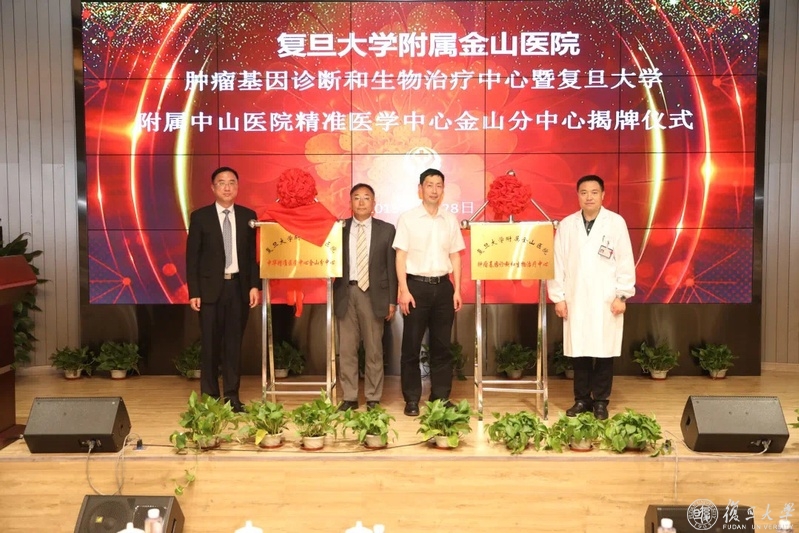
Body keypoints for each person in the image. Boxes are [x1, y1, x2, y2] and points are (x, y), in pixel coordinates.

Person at [547, 175, 636, 420]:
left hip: (606, 299)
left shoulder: (615, 223)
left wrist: (622, 295)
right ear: (577, 195)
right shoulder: (567, 225)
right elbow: (557, 263)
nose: (589, 197)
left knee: (605, 352)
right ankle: (581, 399)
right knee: (580, 352)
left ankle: (601, 402)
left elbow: (625, 260)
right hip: (575, 297)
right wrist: (558, 297)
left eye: (594, 192)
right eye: (584, 192)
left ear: (603, 195)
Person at [186, 166, 260, 412]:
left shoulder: (248, 216)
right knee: (210, 344)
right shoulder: (200, 217)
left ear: (237, 186)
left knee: (233, 345)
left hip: (238, 288)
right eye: (222, 182)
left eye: (231, 182)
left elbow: (253, 257)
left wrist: (254, 285)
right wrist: (194, 291)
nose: (227, 187)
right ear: (213, 187)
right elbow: (192, 257)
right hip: (209, 291)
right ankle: (209, 398)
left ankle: (231, 397)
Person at [393, 168, 465, 416]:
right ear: (420, 189)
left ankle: (440, 397)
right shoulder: (408, 218)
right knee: (411, 347)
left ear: (443, 190)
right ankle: (412, 399)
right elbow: (400, 256)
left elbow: (455, 256)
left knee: (442, 346)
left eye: (438, 185)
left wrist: (457, 289)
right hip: (416, 287)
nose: (434, 190)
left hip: (444, 288)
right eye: (429, 185)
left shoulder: (450, 219)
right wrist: (403, 289)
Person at [333, 184, 398, 412]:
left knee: (374, 349)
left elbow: (391, 267)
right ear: (350, 202)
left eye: (366, 198)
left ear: (374, 203)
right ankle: (349, 396)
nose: (361, 202)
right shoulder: (339, 228)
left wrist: (392, 300)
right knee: (347, 349)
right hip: (346, 292)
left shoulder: (386, 230)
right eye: (357, 198)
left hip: (373, 294)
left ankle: (373, 397)